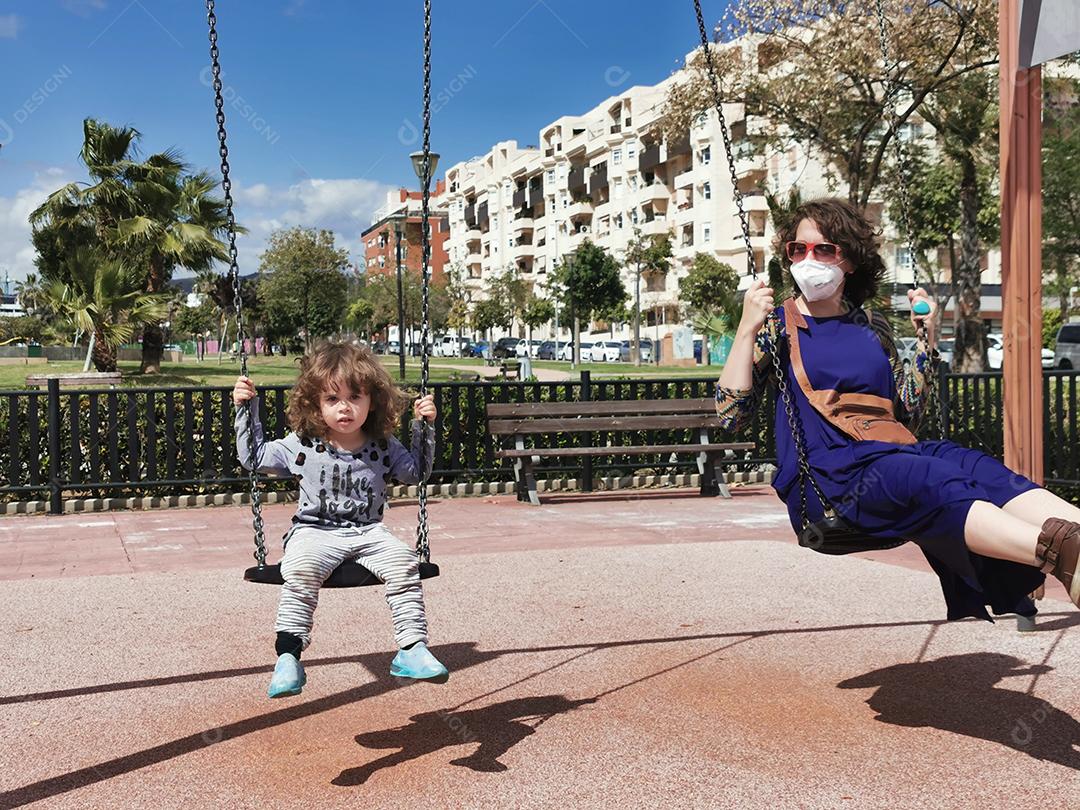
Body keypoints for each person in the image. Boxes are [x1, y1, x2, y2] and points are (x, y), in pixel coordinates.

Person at [716, 198, 1079, 621]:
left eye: (823, 250)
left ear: (849, 259)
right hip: (833, 483)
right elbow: (731, 415)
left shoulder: (872, 326)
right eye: (798, 250)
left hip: (887, 456)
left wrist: (926, 342)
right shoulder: (776, 325)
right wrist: (746, 328)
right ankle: (1060, 553)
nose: (807, 259)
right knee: (927, 473)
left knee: (965, 463)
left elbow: (904, 415)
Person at [232, 341, 448, 698]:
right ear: (316, 403)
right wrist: (246, 407)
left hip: (369, 532)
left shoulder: (384, 444)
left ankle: (412, 648)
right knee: (299, 568)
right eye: (332, 399)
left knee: (403, 562)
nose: (344, 408)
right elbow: (254, 457)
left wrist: (423, 428)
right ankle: (288, 658)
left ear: (372, 401)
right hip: (314, 531)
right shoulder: (301, 443)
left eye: (354, 398)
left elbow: (417, 473)